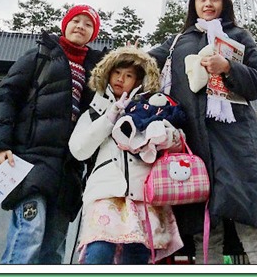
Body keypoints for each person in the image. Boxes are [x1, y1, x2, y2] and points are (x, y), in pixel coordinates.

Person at [149, 0, 257, 265]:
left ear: (224, 3)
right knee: (205, 233)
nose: (208, 4)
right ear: (193, 4)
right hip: (193, 144)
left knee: (251, 225)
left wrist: (228, 67)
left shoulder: (239, 35)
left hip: (236, 143)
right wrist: (126, 57)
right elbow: (146, 64)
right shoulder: (178, 40)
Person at [0, 4, 106, 264]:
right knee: (29, 233)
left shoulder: (97, 70)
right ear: (65, 24)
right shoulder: (40, 55)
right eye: (76, 20)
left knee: (54, 247)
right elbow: (5, 98)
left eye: (88, 24)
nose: (80, 27)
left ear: (93, 33)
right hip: (30, 159)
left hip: (69, 169)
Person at [68, 45, 185, 264]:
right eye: (117, 73)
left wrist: (162, 135)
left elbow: (177, 142)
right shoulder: (95, 110)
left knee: (137, 257)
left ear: (139, 81)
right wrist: (110, 117)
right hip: (106, 192)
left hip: (144, 194)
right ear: (108, 74)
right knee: (99, 252)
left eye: (129, 75)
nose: (121, 79)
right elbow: (78, 149)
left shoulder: (154, 107)